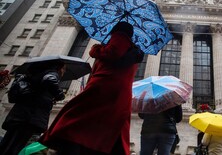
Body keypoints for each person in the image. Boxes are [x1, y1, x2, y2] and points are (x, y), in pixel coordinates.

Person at [39, 21, 144, 155]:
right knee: (111, 127)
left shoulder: (119, 38)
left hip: (103, 88)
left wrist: (96, 49)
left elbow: (113, 53)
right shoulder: (134, 51)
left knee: (74, 117)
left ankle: (69, 145)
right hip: (120, 95)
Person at [0, 61, 66, 155]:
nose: (64, 72)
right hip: (30, 117)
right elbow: (49, 80)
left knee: (8, 144)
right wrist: (60, 95)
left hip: (21, 115)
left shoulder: (37, 74)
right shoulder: (52, 73)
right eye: (64, 69)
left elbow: (38, 92)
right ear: (59, 68)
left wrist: (50, 97)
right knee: (18, 146)